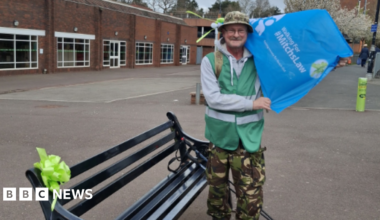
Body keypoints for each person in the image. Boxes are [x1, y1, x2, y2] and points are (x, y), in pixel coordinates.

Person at [200, 11, 350, 220]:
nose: (236, 34)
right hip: (219, 141)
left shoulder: (261, 59)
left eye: (241, 30)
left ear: (247, 33)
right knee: (217, 198)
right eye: (231, 30)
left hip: (249, 142)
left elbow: (294, 69)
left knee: (251, 200)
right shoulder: (210, 61)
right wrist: (251, 104)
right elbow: (213, 99)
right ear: (223, 32)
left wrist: (331, 62)